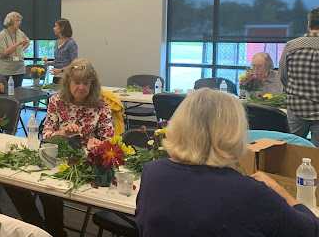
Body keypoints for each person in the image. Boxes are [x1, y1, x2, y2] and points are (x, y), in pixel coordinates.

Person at [136, 88, 319, 236]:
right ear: (234, 134)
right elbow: (311, 230)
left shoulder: (152, 172)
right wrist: (279, 191)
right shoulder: (250, 192)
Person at [7, 59, 115, 237]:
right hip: (55, 156)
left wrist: (96, 143)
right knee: (12, 182)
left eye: (86, 83)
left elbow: (109, 141)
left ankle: (53, 231)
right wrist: (64, 133)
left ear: (92, 84)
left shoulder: (101, 105)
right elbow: (46, 136)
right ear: (68, 83)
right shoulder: (56, 101)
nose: (81, 87)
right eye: (77, 82)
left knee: (49, 191)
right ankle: (38, 226)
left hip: (83, 162)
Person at [280, 6, 319, 146]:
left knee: (293, 149)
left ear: (309, 25)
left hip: (296, 106)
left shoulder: (291, 45)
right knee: (316, 154)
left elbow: (283, 76)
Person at [0, 11, 30, 87]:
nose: (19, 23)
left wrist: (21, 50)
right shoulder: (3, 34)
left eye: (20, 21)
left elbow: (27, 42)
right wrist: (18, 44)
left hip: (19, 69)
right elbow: (3, 53)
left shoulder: (20, 32)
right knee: (7, 94)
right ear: (10, 21)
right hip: (6, 70)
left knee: (18, 93)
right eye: (17, 21)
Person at [43, 18, 78, 84]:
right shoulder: (57, 42)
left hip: (66, 77)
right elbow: (60, 60)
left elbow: (74, 63)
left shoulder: (71, 43)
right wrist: (50, 63)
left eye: (56, 26)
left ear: (62, 28)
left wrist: (60, 70)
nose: (54, 28)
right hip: (56, 77)